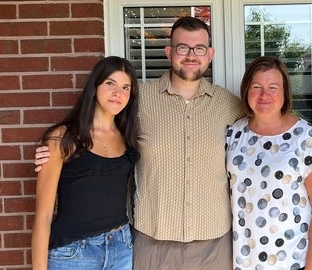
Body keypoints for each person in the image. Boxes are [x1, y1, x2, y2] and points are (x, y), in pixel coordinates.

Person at [34, 16, 243, 269]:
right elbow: (100, 125)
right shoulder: (138, 98)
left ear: (210, 54)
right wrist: (55, 149)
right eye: (182, 48)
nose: (191, 55)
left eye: (199, 48)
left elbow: (265, 122)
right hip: (151, 241)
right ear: (169, 52)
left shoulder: (229, 104)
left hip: (213, 242)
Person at [226, 56, 312, 270]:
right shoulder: (234, 134)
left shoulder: (305, 136)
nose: (264, 95)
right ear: (246, 90)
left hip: (294, 262)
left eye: (273, 87)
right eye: (257, 87)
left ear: (285, 92)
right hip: (245, 263)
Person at [31, 56, 140, 270]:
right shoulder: (63, 138)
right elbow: (43, 216)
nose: (118, 93)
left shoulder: (128, 138)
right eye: (110, 83)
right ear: (94, 87)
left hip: (121, 248)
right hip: (74, 254)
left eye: (126, 87)